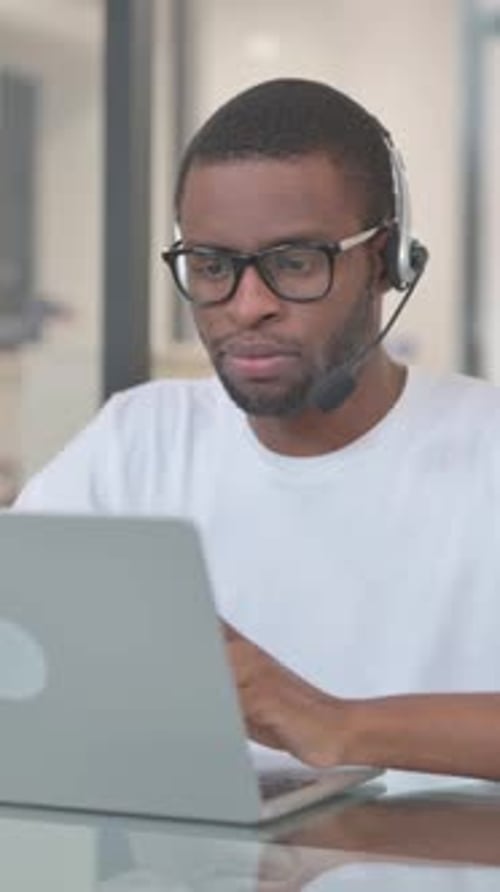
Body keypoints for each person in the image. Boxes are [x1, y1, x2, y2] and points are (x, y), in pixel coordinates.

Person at [15, 78, 500, 787]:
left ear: (385, 261)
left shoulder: (486, 450)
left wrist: (335, 724)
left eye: (294, 264)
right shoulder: (136, 441)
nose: (248, 306)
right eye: (212, 267)